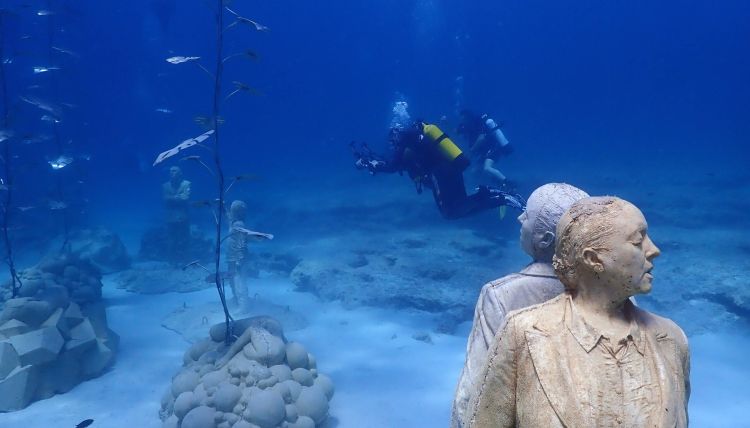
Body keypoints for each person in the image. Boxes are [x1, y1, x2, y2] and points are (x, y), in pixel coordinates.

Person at [465, 196, 690, 428]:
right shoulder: (523, 333)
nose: (654, 250)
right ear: (593, 259)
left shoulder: (671, 340)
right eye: (637, 241)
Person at [450, 183, 589, 428]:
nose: (519, 218)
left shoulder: (500, 295)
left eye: (527, 215)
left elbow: (473, 394)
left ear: (545, 240)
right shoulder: (616, 292)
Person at [352, 119, 525, 219]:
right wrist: (373, 161)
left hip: (440, 173)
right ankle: (492, 194)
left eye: (392, 141)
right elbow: (401, 162)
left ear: (394, 134)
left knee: (450, 212)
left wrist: (371, 165)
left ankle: (499, 197)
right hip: (451, 167)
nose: (392, 145)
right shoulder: (416, 138)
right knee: (460, 205)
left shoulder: (403, 139)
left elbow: (393, 165)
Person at [226, 200, 273, 307]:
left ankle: (244, 306)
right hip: (232, 257)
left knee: (239, 281)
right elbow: (228, 217)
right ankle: (236, 300)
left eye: (233, 210)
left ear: (236, 211)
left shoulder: (238, 224)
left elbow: (242, 241)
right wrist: (223, 205)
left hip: (238, 257)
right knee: (233, 280)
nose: (231, 211)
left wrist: (239, 259)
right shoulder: (233, 222)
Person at [457, 109, 512, 184]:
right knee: (475, 171)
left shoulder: (478, 124)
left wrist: (472, 150)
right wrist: (446, 123)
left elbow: (481, 138)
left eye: (464, 119)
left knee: (487, 168)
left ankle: (509, 184)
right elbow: (455, 132)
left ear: (468, 117)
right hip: (485, 152)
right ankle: (495, 183)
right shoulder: (467, 127)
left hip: (493, 148)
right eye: (462, 119)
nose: (463, 121)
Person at [162, 166, 191, 263]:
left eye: (174, 171)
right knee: (171, 239)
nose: (171, 173)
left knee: (184, 238)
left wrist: (172, 198)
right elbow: (165, 198)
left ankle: (185, 259)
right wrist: (178, 197)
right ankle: (172, 260)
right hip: (170, 217)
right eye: (170, 171)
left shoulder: (186, 184)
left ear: (180, 173)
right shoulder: (165, 185)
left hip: (183, 216)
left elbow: (186, 197)